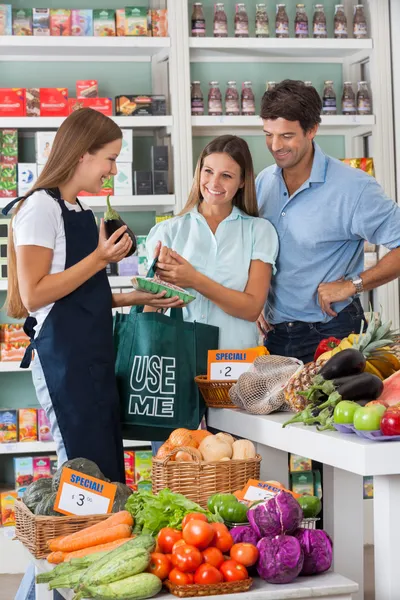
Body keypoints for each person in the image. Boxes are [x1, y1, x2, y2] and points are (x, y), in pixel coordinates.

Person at [7, 109, 184, 600]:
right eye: (108, 159)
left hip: (91, 354)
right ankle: (54, 589)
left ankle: (62, 586)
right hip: (64, 355)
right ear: (82, 153)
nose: (112, 169)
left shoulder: (78, 209)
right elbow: (36, 292)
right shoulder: (39, 209)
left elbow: (84, 292)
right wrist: (101, 258)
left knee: (101, 476)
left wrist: (134, 297)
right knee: (81, 476)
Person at [256, 79, 400, 363]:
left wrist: (353, 284)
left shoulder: (353, 187)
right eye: (268, 134)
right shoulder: (263, 182)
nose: (275, 145)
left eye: (286, 135)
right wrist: (256, 295)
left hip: (332, 332)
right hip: (275, 334)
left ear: (312, 130)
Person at [146, 134, 279, 351]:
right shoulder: (168, 231)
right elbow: (152, 310)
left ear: (242, 181)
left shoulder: (259, 231)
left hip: (234, 361)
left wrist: (194, 279)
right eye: (208, 171)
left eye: (226, 175)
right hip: (179, 360)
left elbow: (252, 309)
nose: (214, 183)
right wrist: (158, 287)